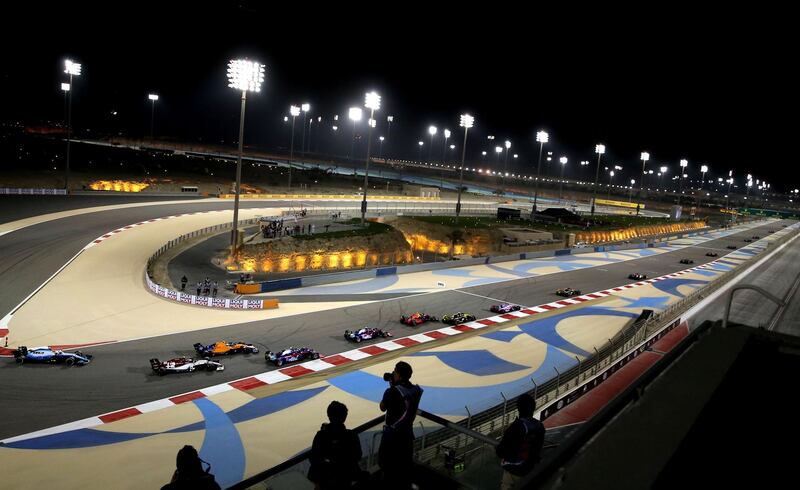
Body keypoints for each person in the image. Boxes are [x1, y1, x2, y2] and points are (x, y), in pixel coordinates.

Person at [379, 361, 423, 489]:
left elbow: (382, 407)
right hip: (407, 434)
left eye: (395, 371)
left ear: (400, 375)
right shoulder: (415, 389)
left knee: (387, 466)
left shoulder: (392, 391)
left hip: (392, 436)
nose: (393, 373)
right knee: (404, 466)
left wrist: (391, 388)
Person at [307, 401, 363, 489]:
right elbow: (358, 456)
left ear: (329, 416)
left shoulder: (321, 436)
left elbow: (313, 458)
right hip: (345, 480)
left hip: (324, 482)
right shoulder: (351, 435)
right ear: (344, 417)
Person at [495, 393, 545, 490]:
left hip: (512, 471)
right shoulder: (539, 426)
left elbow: (501, 451)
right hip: (530, 470)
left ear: (518, 408)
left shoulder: (516, 427)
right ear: (533, 408)